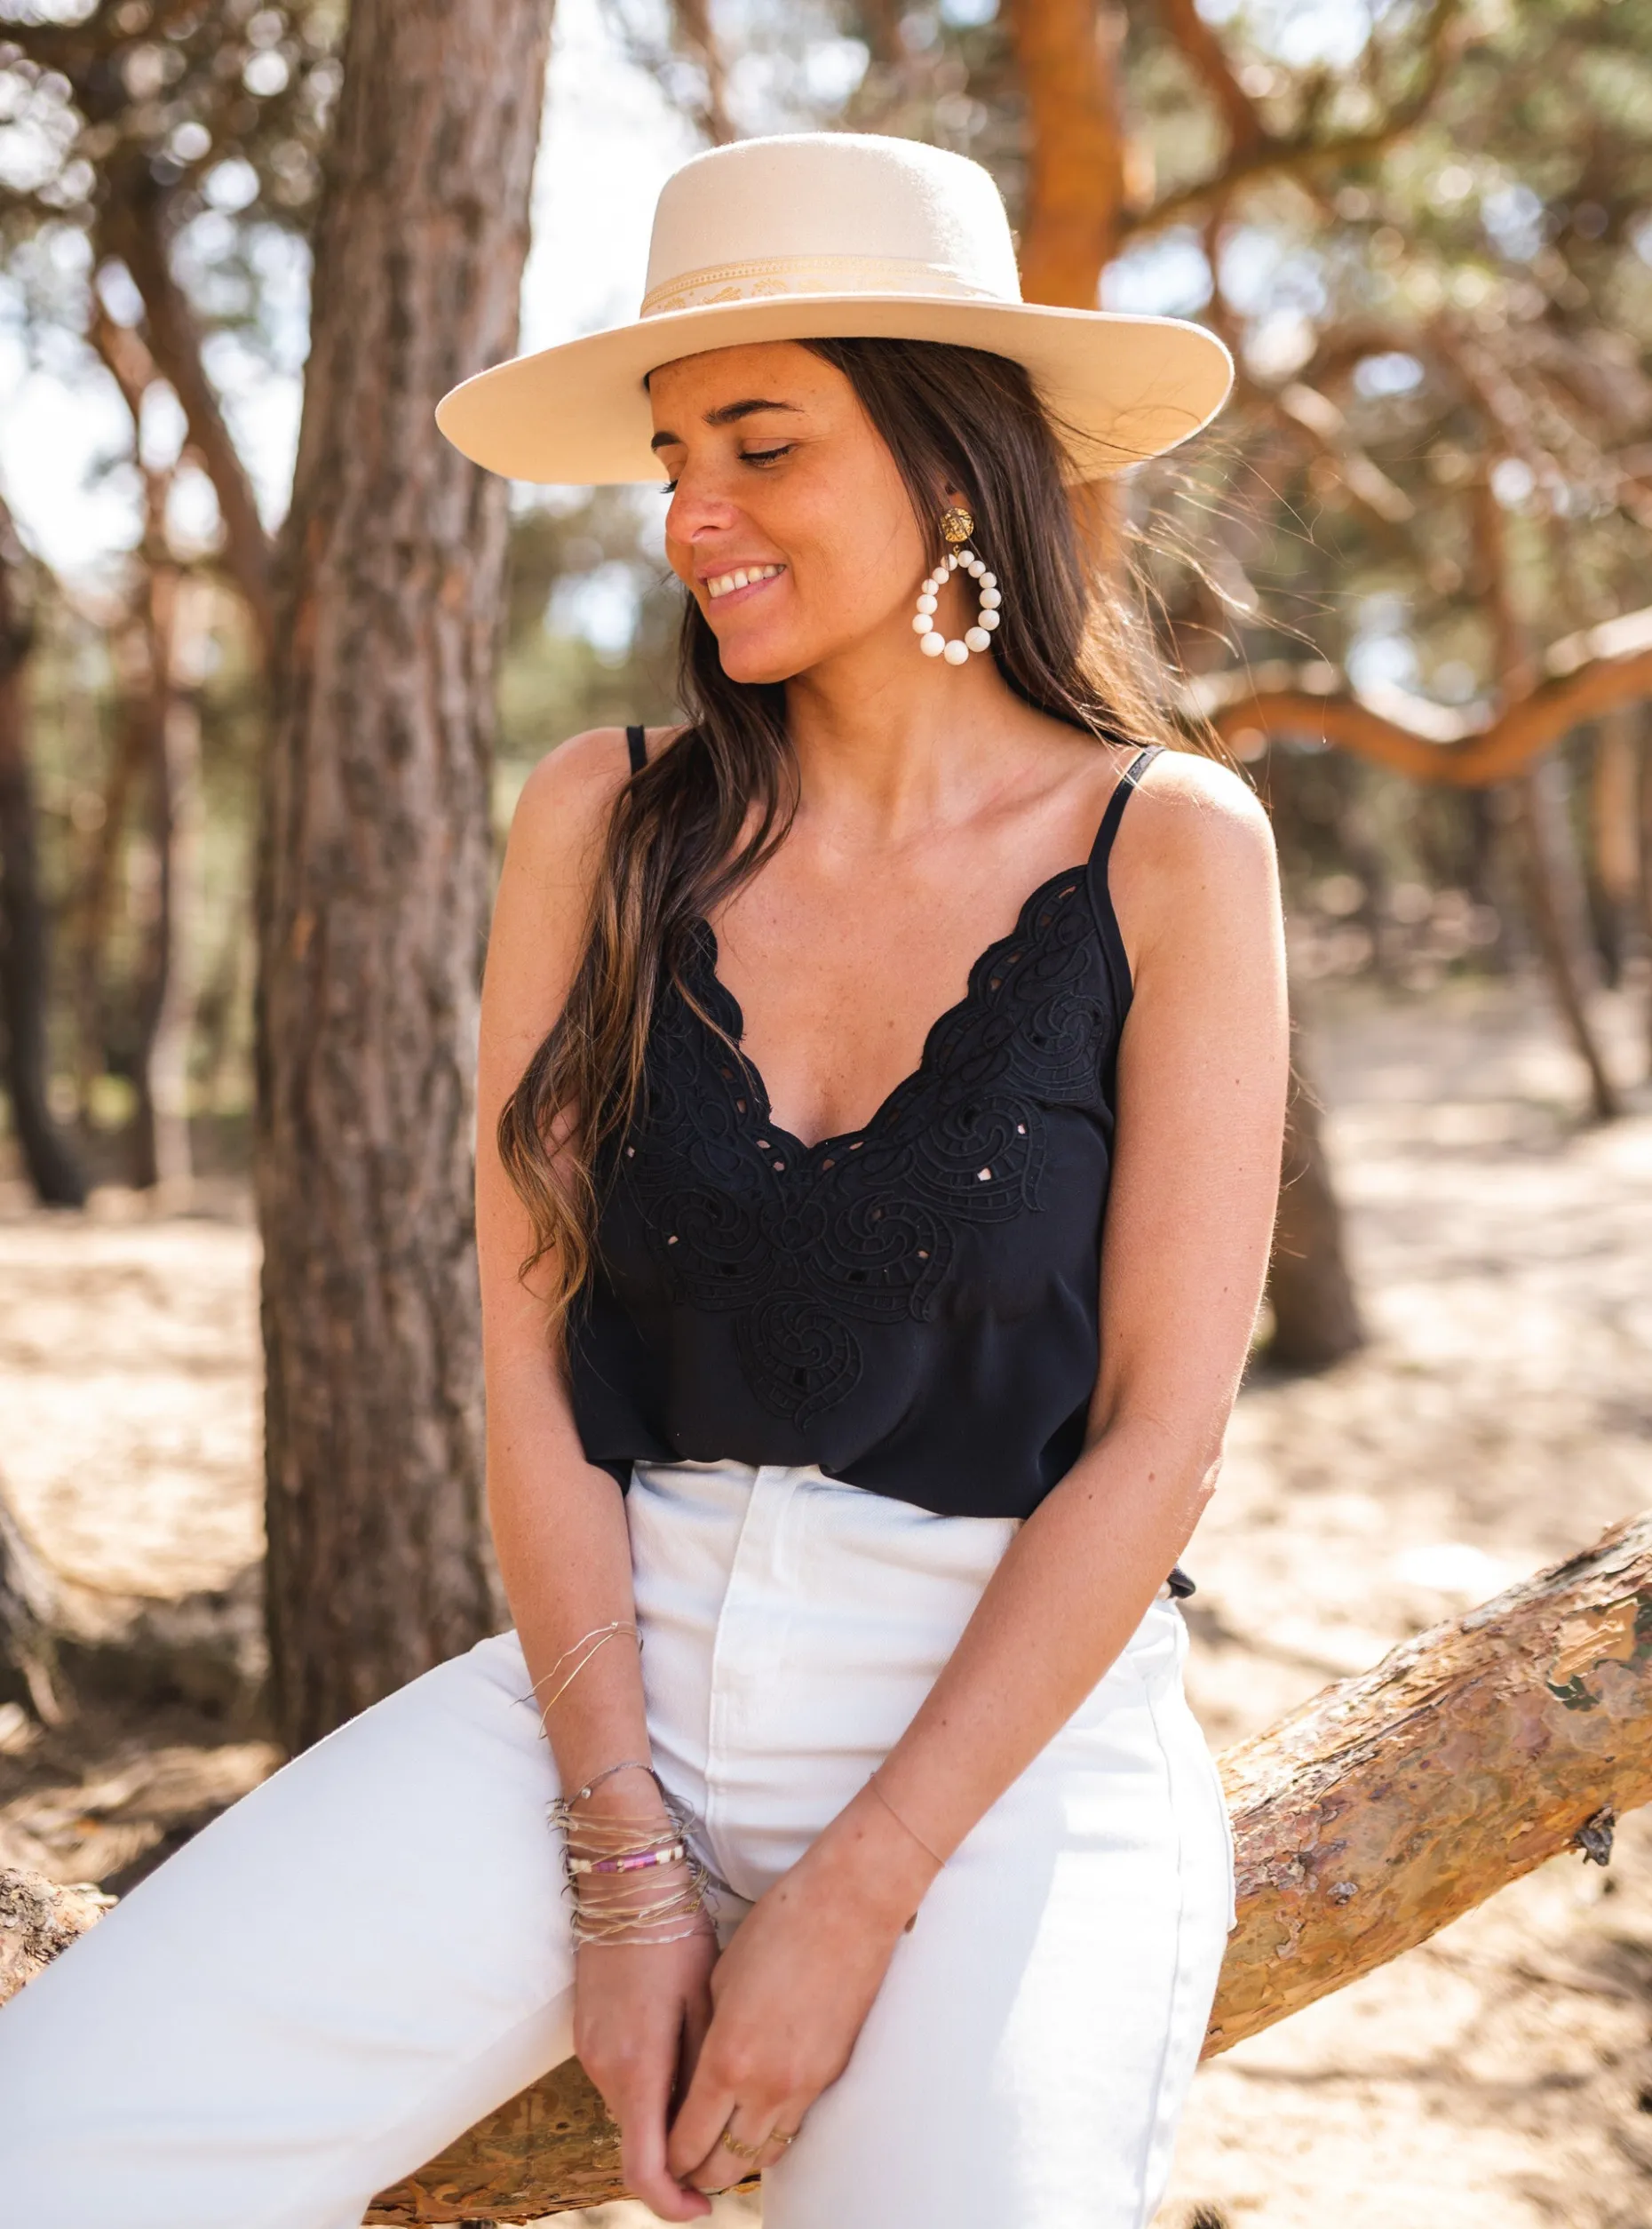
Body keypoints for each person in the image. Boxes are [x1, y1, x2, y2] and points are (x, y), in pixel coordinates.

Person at [0, 132, 1287, 2229]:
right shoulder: (600, 823)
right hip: (602, 1695)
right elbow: (526, 1360)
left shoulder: (1173, 848)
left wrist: (859, 1891)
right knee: (47, 2150)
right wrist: (621, 1863)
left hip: (1009, 1751)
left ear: (953, 466)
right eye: (675, 455)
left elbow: (1163, 1434)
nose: (694, 514)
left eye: (763, 445)